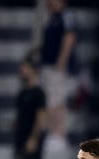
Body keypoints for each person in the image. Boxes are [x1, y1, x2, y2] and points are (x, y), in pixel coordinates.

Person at [33, 0, 77, 150]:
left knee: (56, 102)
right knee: (49, 101)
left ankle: (58, 134)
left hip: (57, 67)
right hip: (48, 65)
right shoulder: (52, 17)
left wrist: (62, 60)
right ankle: (53, 133)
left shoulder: (67, 16)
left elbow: (70, 37)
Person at [15, 52, 48, 159]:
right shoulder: (22, 93)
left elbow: (41, 117)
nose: (22, 69)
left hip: (33, 136)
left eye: (25, 67)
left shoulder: (39, 93)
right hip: (22, 136)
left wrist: (34, 138)